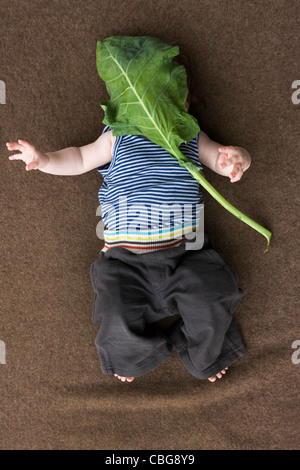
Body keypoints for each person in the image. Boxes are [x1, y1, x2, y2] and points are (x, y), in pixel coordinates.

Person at [7, 65, 251, 384]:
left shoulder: (189, 133)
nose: (153, 107)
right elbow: (80, 158)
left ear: (186, 105)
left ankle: (203, 354)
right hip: (126, 264)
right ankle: (130, 354)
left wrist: (238, 159)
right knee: (113, 310)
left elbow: (219, 159)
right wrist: (46, 161)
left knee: (214, 293)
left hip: (187, 257)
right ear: (125, 103)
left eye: (168, 99)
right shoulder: (116, 135)